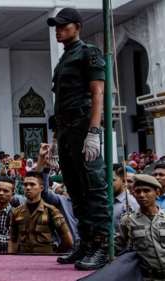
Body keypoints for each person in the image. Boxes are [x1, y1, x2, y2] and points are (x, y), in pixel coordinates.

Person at [47, 8, 110, 270]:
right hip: (66, 131)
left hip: (84, 128)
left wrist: (94, 132)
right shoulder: (63, 60)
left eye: (64, 26)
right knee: (75, 189)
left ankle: (102, 245)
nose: (58, 30)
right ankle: (85, 243)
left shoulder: (89, 52)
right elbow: (60, 104)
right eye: (56, 27)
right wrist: (54, 141)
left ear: (78, 26)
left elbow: (98, 94)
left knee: (94, 187)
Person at [9, 171, 73, 253]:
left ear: (41, 188)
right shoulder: (16, 212)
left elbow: (68, 241)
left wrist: (55, 254)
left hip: (45, 260)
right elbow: (12, 239)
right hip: (22, 259)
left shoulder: (52, 211)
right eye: (25, 185)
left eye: (32, 184)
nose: (28, 187)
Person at [116, 174, 165, 279]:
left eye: (146, 191)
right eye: (138, 191)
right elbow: (118, 248)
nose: (142, 195)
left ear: (157, 193)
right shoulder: (128, 221)